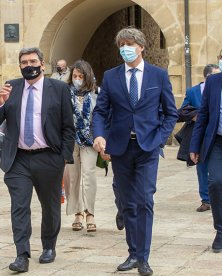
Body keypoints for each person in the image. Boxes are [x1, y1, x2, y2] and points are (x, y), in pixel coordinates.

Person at [92, 27, 178, 276]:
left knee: (144, 200)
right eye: (122, 44)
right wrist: (99, 134)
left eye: (130, 43)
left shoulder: (158, 76)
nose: (125, 48)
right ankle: (132, 253)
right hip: (120, 147)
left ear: (141, 46)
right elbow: (100, 111)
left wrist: (160, 139)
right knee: (127, 203)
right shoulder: (111, 76)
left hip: (147, 148)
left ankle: (143, 258)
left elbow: (171, 112)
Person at [0, 47, 75, 273]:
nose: (29, 65)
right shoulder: (12, 87)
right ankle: (22, 254)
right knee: (19, 206)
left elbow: (68, 126)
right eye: (24, 62)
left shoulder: (58, 88)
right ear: (20, 66)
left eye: (33, 61)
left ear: (42, 64)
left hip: (48, 157)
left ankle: (48, 246)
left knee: (50, 206)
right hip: (18, 159)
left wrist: (63, 158)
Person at [63, 59, 98, 232]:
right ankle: (77, 212)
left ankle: (90, 212)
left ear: (87, 77)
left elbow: (100, 116)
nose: (77, 79)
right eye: (75, 76)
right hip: (70, 141)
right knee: (73, 177)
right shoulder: (65, 93)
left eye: (81, 76)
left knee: (89, 175)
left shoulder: (96, 94)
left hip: (89, 140)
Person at [190, 68, 222, 254]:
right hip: (217, 141)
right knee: (215, 182)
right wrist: (195, 145)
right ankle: (220, 230)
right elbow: (203, 115)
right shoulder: (213, 82)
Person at [180, 64, 220, 212]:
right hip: (202, 136)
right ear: (208, 77)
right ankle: (206, 200)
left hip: (217, 135)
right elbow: (182, 111)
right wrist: (195, 115)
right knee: (202, 169)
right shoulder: (193, 92)